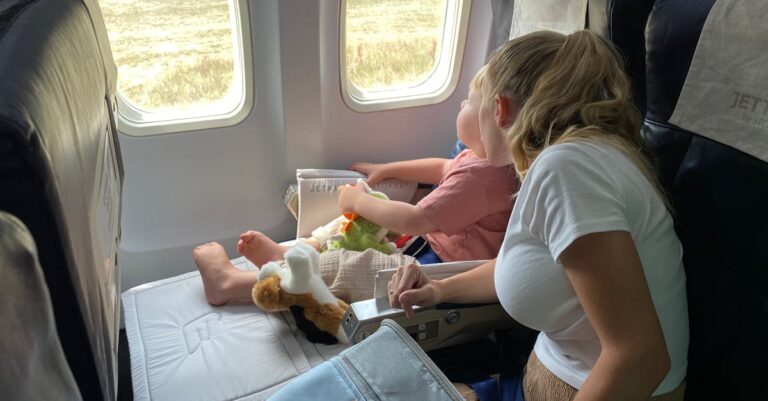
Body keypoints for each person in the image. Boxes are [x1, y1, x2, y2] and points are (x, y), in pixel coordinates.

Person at [386, 30, 688, 401]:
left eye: (471, 101)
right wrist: (439, 289)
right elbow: (520, 265)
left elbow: (640, 357)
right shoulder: (569, 160)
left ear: (499, 108)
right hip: (536, 378)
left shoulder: (568, 169)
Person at [193, 66, 520, 306]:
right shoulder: (479, 158)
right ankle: (292, 252)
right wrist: (386, 169)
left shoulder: (485, 177)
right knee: (350, 228)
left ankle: (231, 283)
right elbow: (444, 167)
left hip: (440, 269)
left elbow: (416, 220)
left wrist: (357, 201)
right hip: (426, 246)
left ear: (496, 112)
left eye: (468, 101)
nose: (461, 106)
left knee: (352, 266)